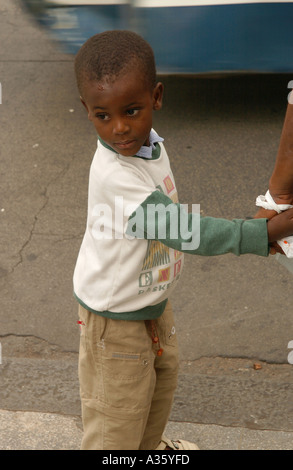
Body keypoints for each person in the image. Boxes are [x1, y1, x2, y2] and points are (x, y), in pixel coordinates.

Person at [73, 30, 293, 450]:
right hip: (115, 322)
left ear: (157, 97)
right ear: (87, 111)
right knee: (116, 423)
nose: (120, 128)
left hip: (150, 305)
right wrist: (259, 233)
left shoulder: (149, 148)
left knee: (156, 393)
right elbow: (185, 230)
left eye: (132, 110)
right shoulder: (115, 175)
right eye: (103, 116)